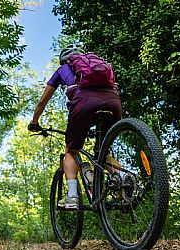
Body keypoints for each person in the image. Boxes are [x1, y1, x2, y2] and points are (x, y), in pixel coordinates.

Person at [28, 44, 121, 210]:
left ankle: (72, 196)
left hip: (84, 103)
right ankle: (122, 180)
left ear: (64, 60)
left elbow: (42, 101)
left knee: (71, 150)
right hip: (114, 102)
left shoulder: (62, 69)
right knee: (103, 150)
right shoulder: (98, 65)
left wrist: (34, 122)